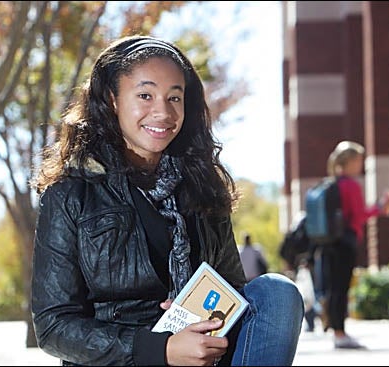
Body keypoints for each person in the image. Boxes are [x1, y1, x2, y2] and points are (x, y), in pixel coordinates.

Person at [29, 35, 304, 366]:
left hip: (200, 353)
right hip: (125, 358)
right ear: (112, 99)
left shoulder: (203, 188)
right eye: (145, 95)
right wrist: (160, 349)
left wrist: (199, 314)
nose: (162, 111)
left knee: (277, 293)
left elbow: (231, 287)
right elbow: (53, 326)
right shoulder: (71, 193)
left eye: (175, 97)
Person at [321, 141, 389, 349]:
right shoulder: (351, 185)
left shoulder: (332, 183)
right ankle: (340, 333)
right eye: (359, 161)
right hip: (346, 242)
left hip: (330, 243)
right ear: (351, 161)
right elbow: (359, 215)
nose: (361, 165)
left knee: (334, 288)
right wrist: (381, 207)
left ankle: (336, 331)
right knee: (342, 288)